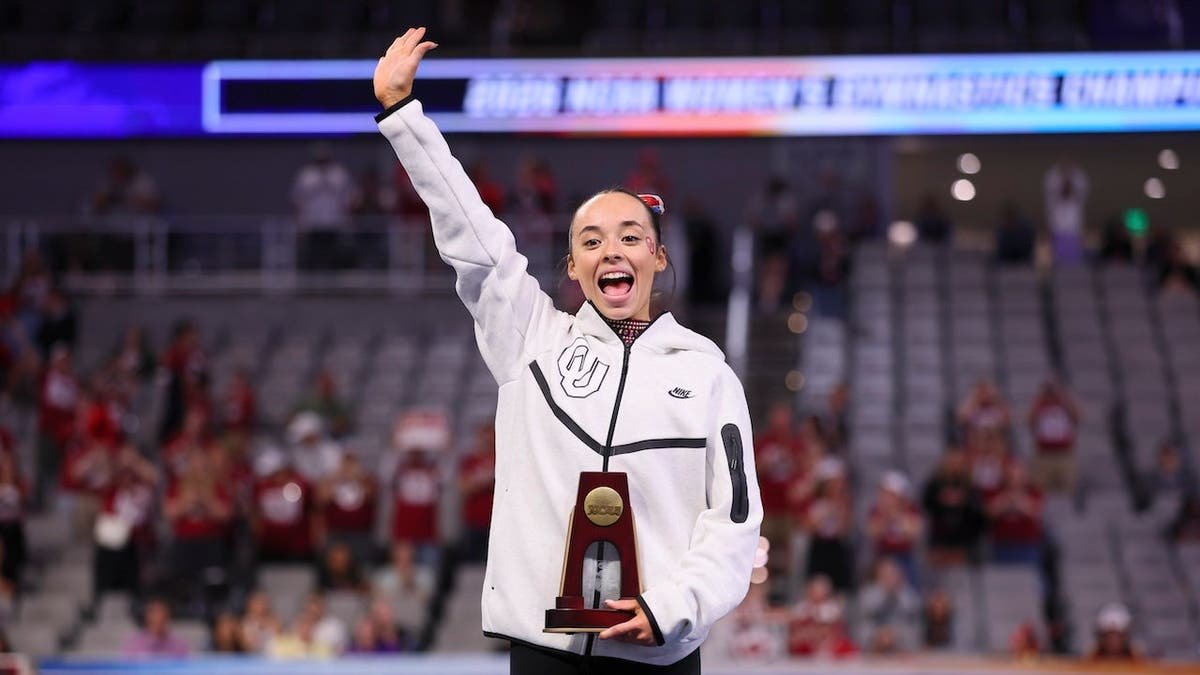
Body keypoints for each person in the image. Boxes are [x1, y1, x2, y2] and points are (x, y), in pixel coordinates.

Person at [373, 28, 763, 674]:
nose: (612, 249)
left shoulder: (707, 372)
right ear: (573, 268)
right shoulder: (529, 337)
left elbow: (736, 517)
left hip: (659, 650)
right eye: (591, 240)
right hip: (543, 652)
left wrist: (675, 604)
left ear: (658, 258)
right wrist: (403, 116)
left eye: (631, 236)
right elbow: (475, 241)